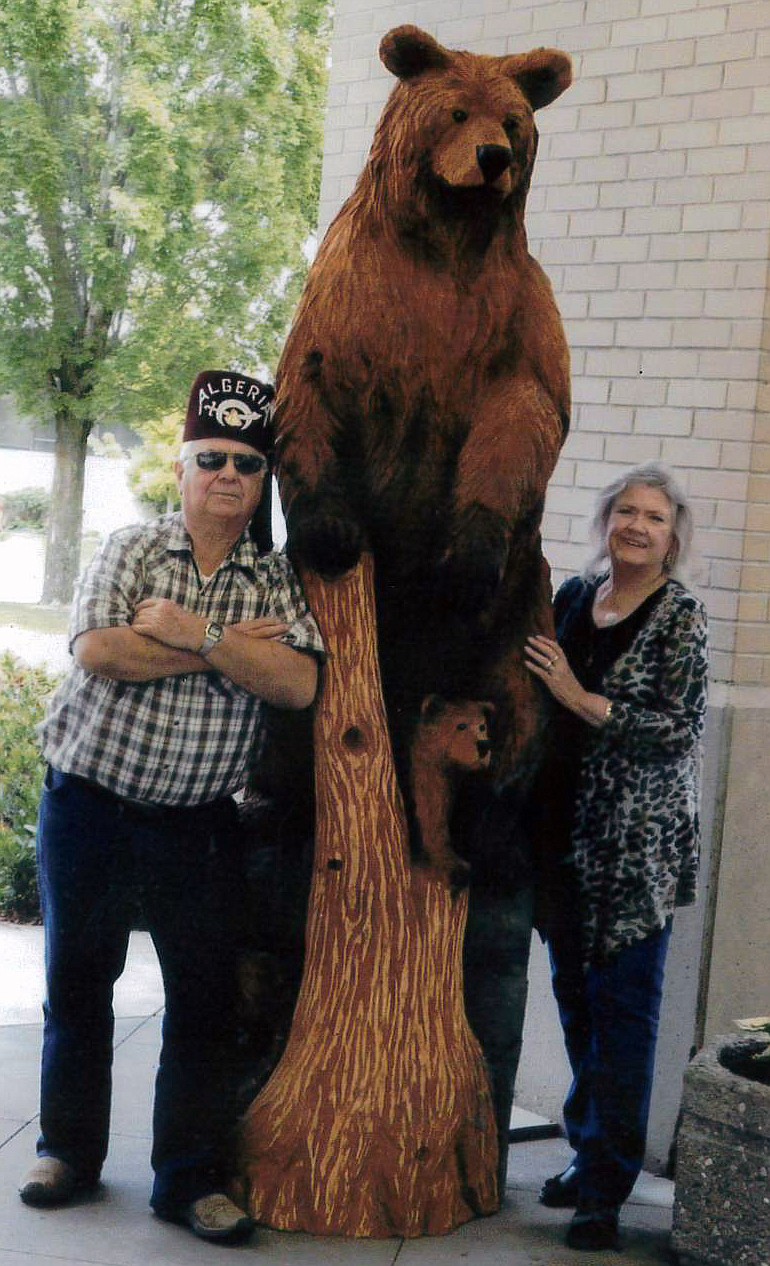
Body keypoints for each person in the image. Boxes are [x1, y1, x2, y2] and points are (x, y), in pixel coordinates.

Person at [19, 370, 325, 1245]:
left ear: (262, 483)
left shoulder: (273, 580)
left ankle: (187, 1181)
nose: (229, 476)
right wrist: (229, 653)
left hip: (198, 824)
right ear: (183, 470)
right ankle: (65, 1153)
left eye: (247, 465)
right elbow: (100, 652)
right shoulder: (130, 549)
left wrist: (193, 634)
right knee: (79, 986)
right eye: (212, 459)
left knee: (203, 1002)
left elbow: (299, 683)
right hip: (90, 807)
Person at [524, 462, 709, 1253]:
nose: (636, 526)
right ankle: (586, 1148)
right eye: (625, 511)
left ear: (673, 538)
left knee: (624, 1019)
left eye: (654, 518)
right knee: (577, 1008)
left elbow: (678, 727)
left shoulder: (681, 619)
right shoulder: (573, 597)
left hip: (634, 854)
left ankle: (607, 1189)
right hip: (562, 839)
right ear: (605, 522)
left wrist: (577, 696)